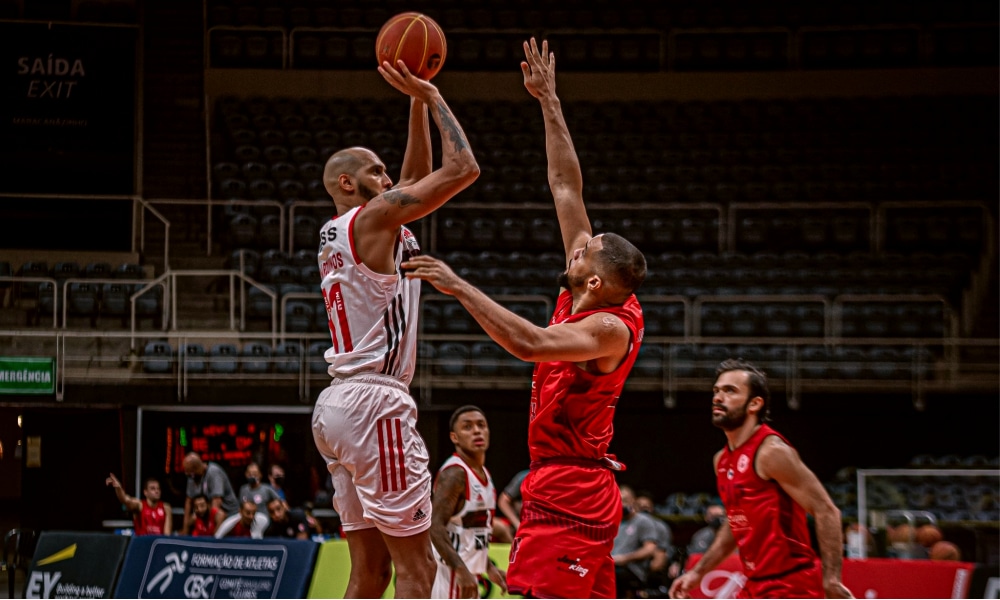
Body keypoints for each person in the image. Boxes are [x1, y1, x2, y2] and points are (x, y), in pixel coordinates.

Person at [403, 38, 646, 599]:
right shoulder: (584, 288)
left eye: (586, 251)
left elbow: (531, 343)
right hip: (558, 477)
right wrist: (549, 101)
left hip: (574, 484)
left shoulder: (608, 327)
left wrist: (459, 285)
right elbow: (565, 186)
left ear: (594, 281)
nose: (577, 245)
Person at [310, 55, 479, 599]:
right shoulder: (376, 219)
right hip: (375, 404)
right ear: (345, 181)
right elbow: (461, 170)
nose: (388, 180)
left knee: (368, 575)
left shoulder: (348, 229)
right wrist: (434, 98)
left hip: (337, 406)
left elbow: (412, 178)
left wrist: (412, 98)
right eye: (375, 173)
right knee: (417, 572)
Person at [669, 359, 853, 599]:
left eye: (730, 391)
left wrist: (831, 580)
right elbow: (735, 524)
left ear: (754, 404)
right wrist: (697, 573)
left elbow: (827, 510)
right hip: (754, 584)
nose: (717, 397)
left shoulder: (771, 452)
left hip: (791, 584)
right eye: (716, 391)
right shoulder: (721, 460)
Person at [429, 405, 507, 599]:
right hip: (448, 576)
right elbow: (434, 526)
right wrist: (460, 570)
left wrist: (488, 566)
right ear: (454, 437)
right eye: (467, 427)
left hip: (467, 573)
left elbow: (472, 534)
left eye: (481, 425)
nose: (477, 431)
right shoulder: (455, 474)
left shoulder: (485, 475)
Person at [613, 485, 661, 598]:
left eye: (625, 500)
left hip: (631, 570)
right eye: (618, 500)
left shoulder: (643, 521)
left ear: (633, 501)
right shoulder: (613, 521)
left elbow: (650, 549)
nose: (621, 504)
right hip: (612, 566)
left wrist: (625, 559)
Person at [181, 452, 239, 535]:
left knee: (219, 515)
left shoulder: (213, 472)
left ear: (196, 468)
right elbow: (189, 501)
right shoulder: (192, 476)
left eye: (189, 472)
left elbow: (216, 502)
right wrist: (185, 528)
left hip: (229, 514)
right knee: (193, 518)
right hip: (206, 512)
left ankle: (212, 541)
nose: (187, 475)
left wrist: (208, 527)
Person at [105, 473, 172, 535]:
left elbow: (167, 535)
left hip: (157, 544)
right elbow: (125, 500)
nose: (156, 491)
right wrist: (118, 487)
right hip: (141, 543)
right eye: (153, 488)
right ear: (145, 492)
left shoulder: (166, 508)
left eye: (158, 489)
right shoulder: (140, 505)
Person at [636, 490, 674, 584]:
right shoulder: (627, 525)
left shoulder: (661, 527)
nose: (643, 510)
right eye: (640, 507)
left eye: (646, 507)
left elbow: (660, 556)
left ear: (652, 508)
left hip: (647, 568)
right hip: (628, 564)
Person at [496, 469, 529, 539]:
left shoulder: (555, 478)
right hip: (518, 524)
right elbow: (503, 501)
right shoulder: (526, 476)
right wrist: (517, 524)